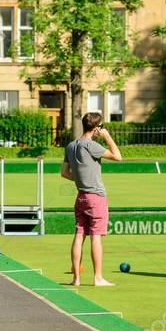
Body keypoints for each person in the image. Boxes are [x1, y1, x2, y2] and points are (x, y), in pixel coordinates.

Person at [61, 112, 122, 286]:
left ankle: (76, 278)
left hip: (80, 196)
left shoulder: (71, 146)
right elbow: (118, 156)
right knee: (96, 237)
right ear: (96, 128)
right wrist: (108, 137)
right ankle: (98, 278)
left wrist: (81, 180)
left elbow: (65, 173)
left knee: (79, 235)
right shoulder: (91, 145)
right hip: (96, 197)